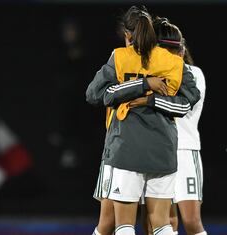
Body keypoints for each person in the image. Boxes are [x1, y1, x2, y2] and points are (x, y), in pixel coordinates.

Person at [86, 5, 200, 235]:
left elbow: (95, 94)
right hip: (163, 150)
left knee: (123, 225)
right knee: (161, 223)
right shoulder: (173, 63)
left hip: (126, 149)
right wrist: (149, 90)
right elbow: (189, 101)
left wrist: (143, 92)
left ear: (128, 34)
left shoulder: (120, 58)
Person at [141, 17, 207, 235]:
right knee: (160, 221)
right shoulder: (148, 76)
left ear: (181, 51)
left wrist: (149, 96)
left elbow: (178, 105)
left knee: (191, 221)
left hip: (184, 151)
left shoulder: (194, 75)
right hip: (156, 150)